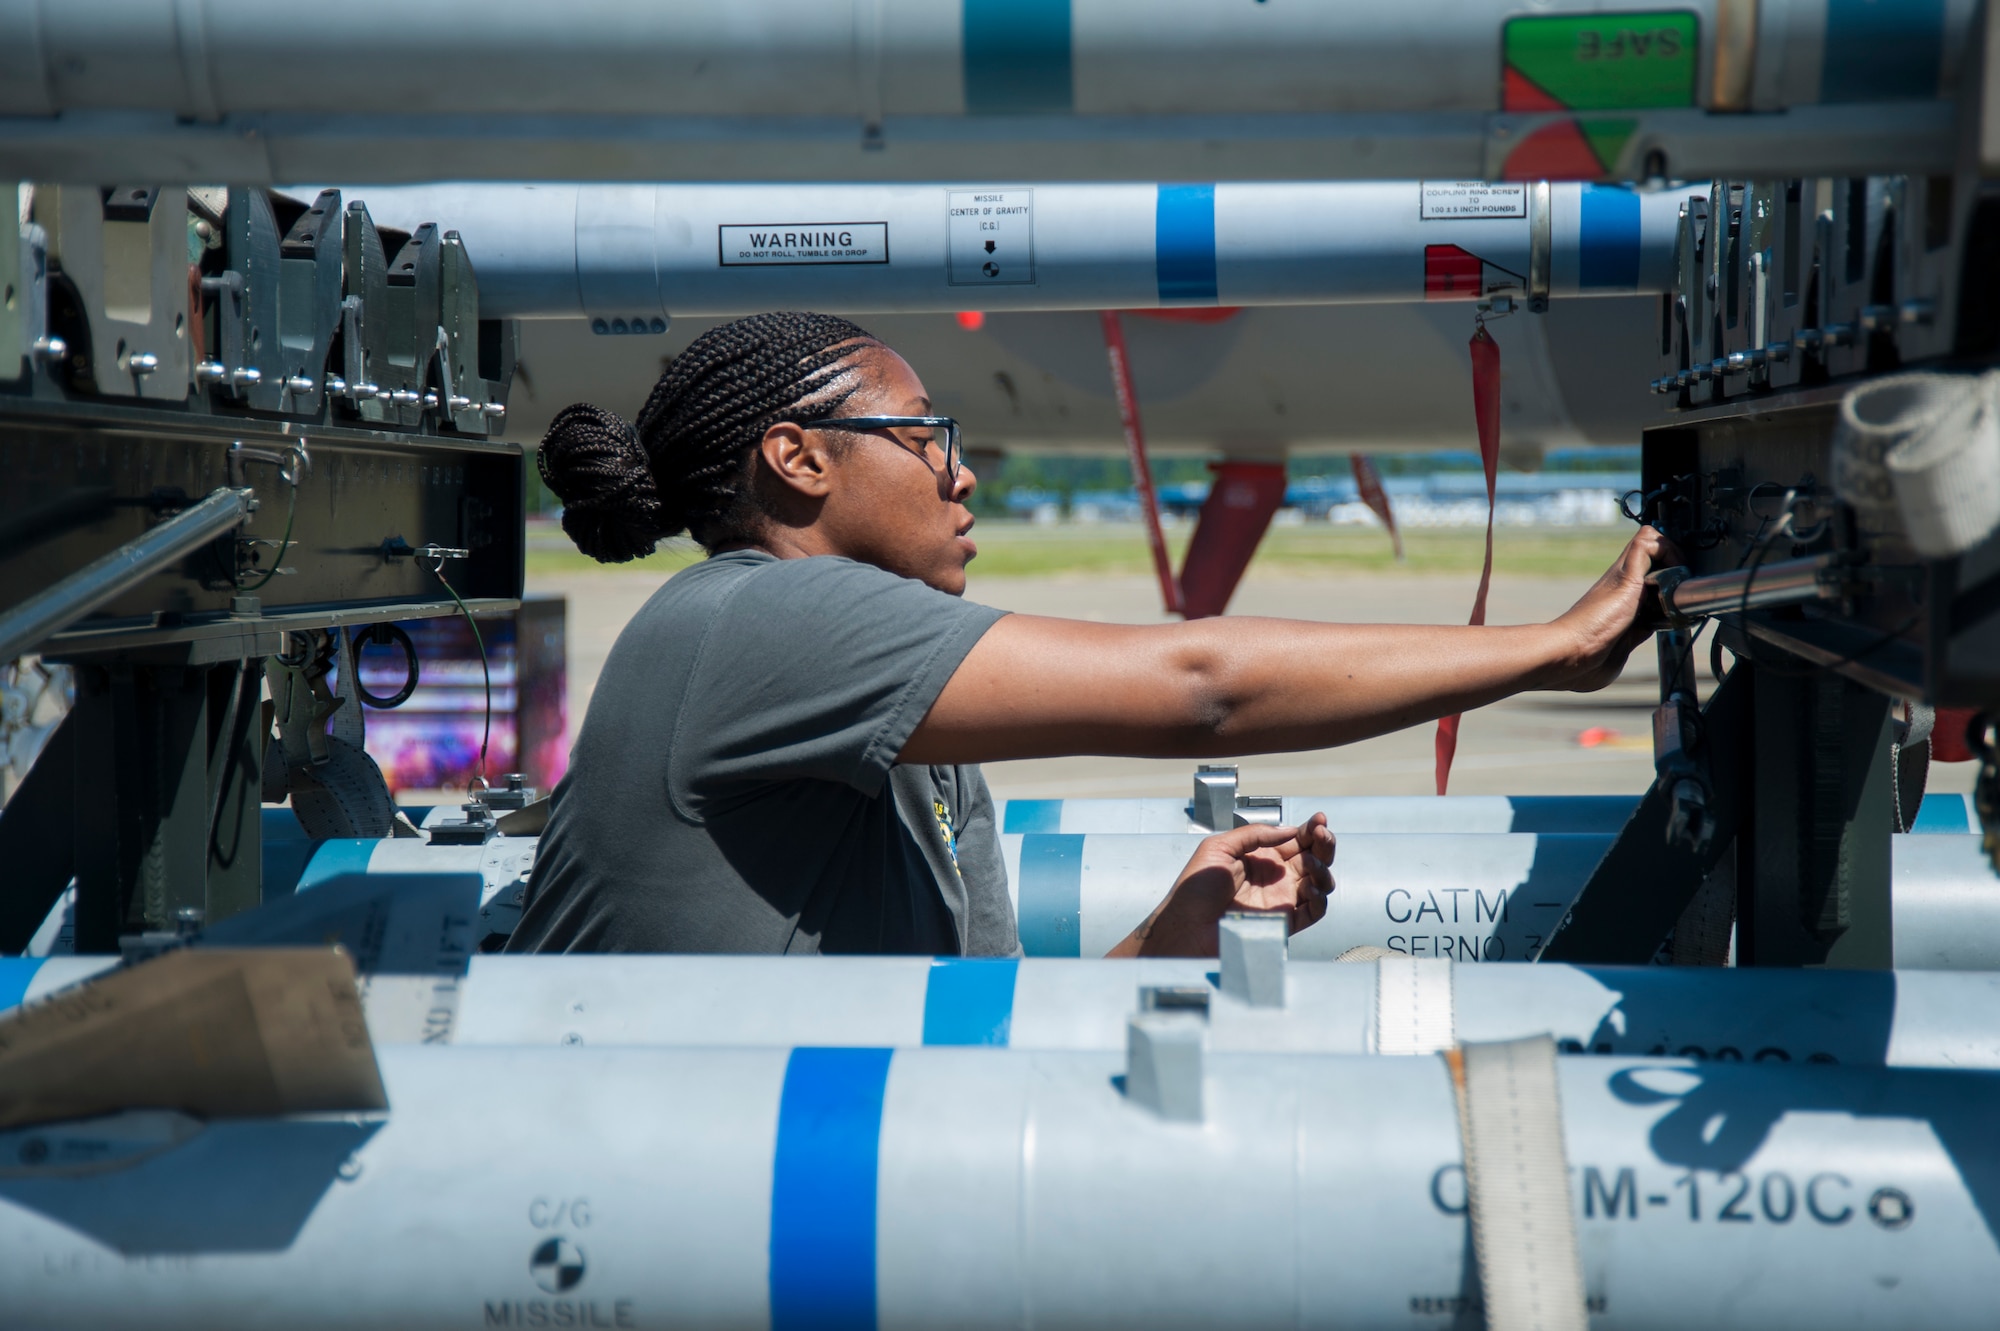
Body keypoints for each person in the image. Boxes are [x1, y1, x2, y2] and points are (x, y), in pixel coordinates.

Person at [509, 311, 1671, 958]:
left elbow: (992, 1025)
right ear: (798, 457)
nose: (961, 472)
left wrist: (1176, 928)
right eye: (925, 435)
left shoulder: (910, 714)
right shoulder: (751, 617)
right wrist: (1551, 646)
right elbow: (1197, 685)